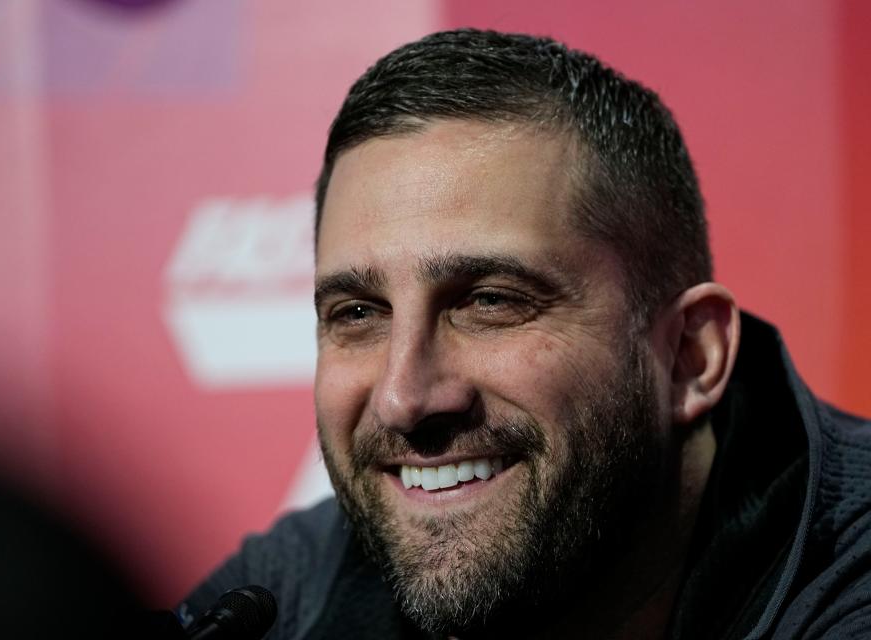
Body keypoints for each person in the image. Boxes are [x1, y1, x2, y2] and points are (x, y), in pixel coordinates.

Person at [180, 29, 871, 639]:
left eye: (489, 301)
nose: (403, 396)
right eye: (358, 314)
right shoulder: (283, 597)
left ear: (691, 354)